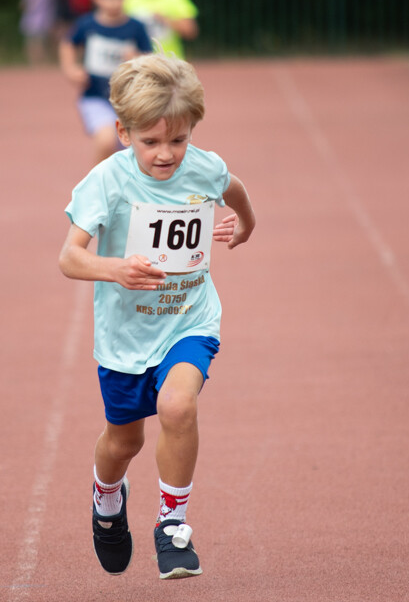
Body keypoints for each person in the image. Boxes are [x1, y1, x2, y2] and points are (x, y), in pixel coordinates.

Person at [58, 53, 256, 581]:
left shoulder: (203, 167)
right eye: (151, 142)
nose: (166, 154)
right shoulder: (106, 180)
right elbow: (69, 258)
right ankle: (106, 498)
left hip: (189, 319)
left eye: (178, 140)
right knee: (125, 442)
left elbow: (232, 187)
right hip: (125, 335)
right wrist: (116, 269)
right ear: (123, 133)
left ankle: (172, 523)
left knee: (176, 405)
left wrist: (245, 224)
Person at [60, 0, 154, 165]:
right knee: (106, 139)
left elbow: (151, 60)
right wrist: (70, 68)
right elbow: (67, 44)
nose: (113, 2)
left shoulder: (136, 27)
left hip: (129, 101)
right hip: (95, 97)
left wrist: (137, 59)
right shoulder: (86, 25)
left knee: (136, 149)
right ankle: (98, 187)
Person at [20, 0, 57, 65]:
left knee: (39, 43)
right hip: (32, 20)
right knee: (32, 43)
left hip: (41, 20)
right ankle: (35, 63)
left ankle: (40, 64)